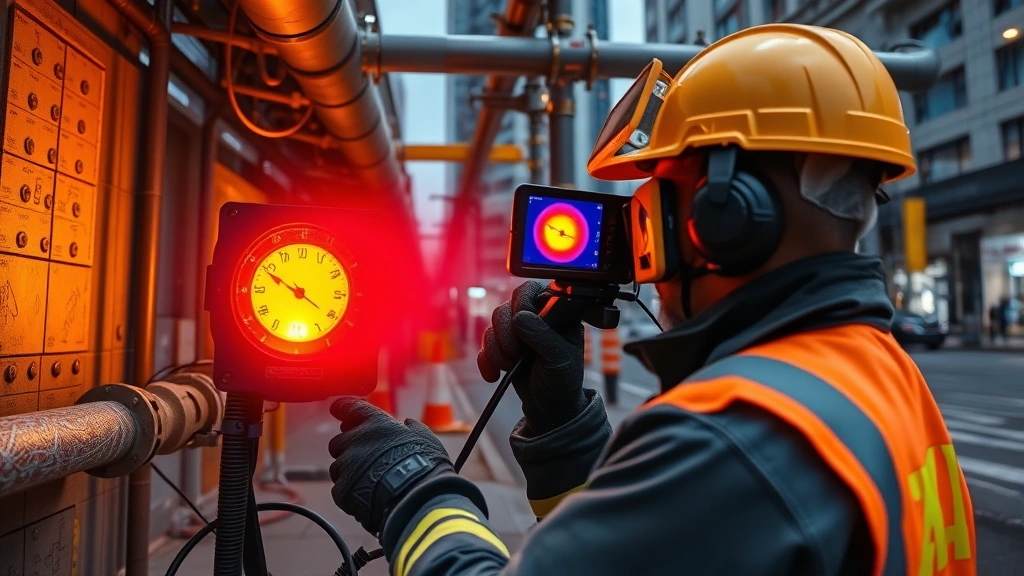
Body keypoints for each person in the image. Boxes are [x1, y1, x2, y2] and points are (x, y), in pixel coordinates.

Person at [325, 24, 977, 576]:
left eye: (655, 206)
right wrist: (561, 433)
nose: (641, 249)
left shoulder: (734, 432)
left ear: (726, 215)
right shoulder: (884, 377)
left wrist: (414, 492)